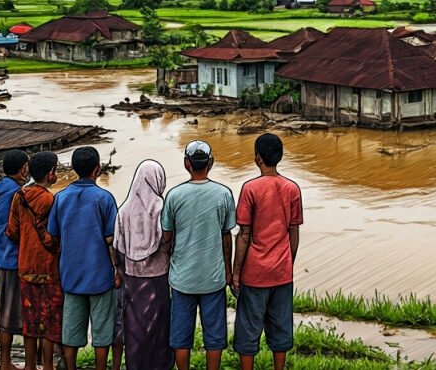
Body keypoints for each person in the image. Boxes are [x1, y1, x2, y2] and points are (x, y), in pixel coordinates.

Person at [161, 140, 236, 370]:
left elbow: (167, 238)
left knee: (181, 337)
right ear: (210, 163)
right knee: (214, 337)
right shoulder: (224, 194)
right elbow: (227, 237)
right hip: (213, 278)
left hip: (182, 278)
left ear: (187, 164)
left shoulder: (174, 196)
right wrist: (229, 272)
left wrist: (170, 257)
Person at [231, 133, 303, 370]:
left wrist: (236, 272)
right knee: (280, 327)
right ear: (279, 157)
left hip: (255, 271)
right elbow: (293, 233)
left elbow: (243, 235)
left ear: (257, 158)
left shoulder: (250, 188)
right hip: (281, 271)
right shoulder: (292, 189)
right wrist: (287, 262)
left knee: (248, 330)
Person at [47, 147, 120, 370]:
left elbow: (53, 235)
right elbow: (112, 239)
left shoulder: (60, 198)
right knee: (102, 331)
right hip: (100, 275)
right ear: (97, 169)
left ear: (74, 169)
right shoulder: (105, 198)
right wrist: (117, 269)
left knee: (71, 331)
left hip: (71, 274)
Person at [112, 160, 174, 370]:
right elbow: (169, 241)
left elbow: (117, 246)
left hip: (132, 279)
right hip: (158, 279)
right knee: (158, 328)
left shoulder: (124, 210)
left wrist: (120, 269)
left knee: (135, 328)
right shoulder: (162, 209)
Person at [6, 152, 62, 370]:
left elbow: (11, 231)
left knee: (30, 321)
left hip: (25, 266)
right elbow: (54, 236)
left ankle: (29, 366)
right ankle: (47, 366)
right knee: (50, 321)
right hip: (48, 269)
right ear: (51, 174)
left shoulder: (19, 196)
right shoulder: (50, 200)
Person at [0, 149, 29, 370]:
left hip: (3, 257)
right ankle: (19, 363)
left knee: (5, 313)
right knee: (26, 314)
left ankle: (6, 362)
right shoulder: (17, 192)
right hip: (16, 259)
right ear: (23, 169)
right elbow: (15, 229)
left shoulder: (0, 187)